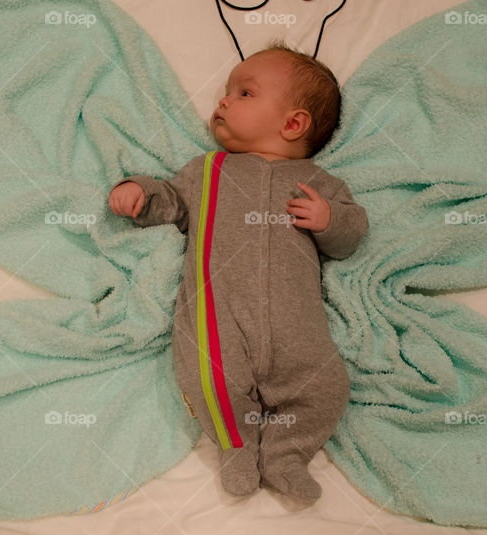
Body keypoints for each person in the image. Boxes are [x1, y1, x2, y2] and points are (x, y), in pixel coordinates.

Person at [108, 43, 368, 501]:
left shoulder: (320, 183)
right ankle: (236, 446)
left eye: (244, 93)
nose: (223, 101)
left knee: (328, 387)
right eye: (226, 92)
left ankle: (287, 454)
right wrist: (140, 193)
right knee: (208, 379)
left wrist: (330, 220)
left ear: (293, 124)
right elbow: (171, 201)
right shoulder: (207, 170)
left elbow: (351, 236)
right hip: (218, 318)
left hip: (299, 328)